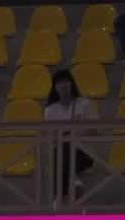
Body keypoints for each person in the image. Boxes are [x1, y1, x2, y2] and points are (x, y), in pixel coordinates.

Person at [43, 68, 96, 202]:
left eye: (66, 82)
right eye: (60, 83)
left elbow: (94, 128)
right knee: (62, 151)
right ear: (55, 87)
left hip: (83, 152)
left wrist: (68, 133)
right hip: (61, 151)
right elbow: (52, 137)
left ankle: (58, 197)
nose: (64, 86)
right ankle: (73, 183)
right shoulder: (50, 110)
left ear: (72, 84)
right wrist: (71, 132)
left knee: (61, 156)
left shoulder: (84, 104)